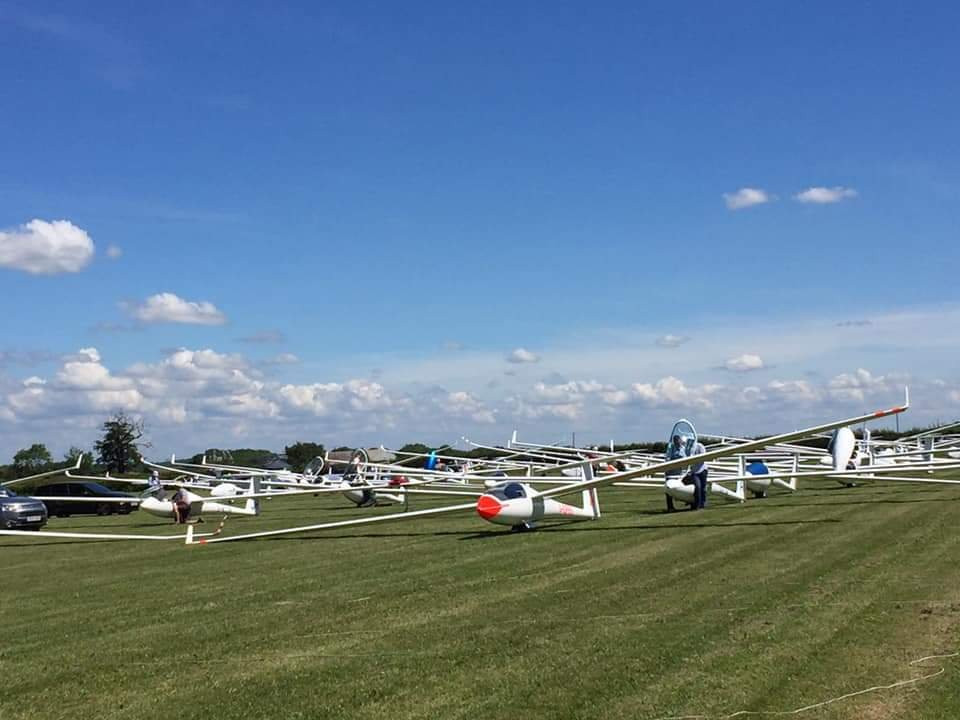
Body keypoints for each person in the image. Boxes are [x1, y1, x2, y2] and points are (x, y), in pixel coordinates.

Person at [664, 434, 687, 512]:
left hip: (678, 472)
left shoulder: (682, 448)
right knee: (669, 489)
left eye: (678, 440)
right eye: (676, 441)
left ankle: (686, 500)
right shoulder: (670, 448)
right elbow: (668, 458)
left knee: (681, 486)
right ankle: (670, 507)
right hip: (670, 472)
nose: (678, 442)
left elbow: (685, 458)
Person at [687, 441, 708, 510]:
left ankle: (703, 503)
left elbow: (703, 457)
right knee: (697, 487)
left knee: (703, 488)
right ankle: (697, 505)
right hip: (694, 472)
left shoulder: (700, 446)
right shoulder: (688, 448)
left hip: (702, 470)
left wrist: (694, 459)